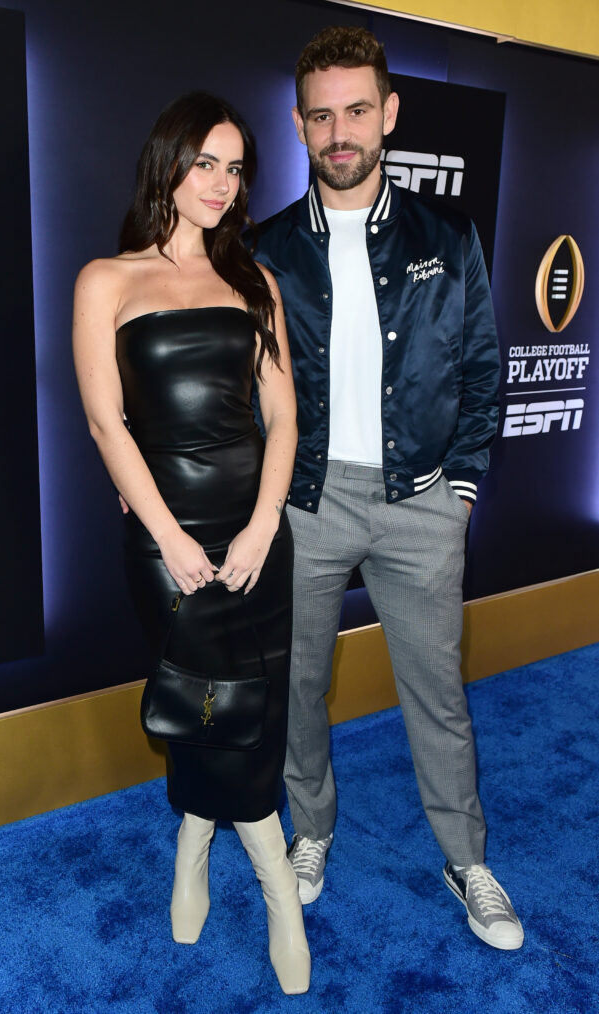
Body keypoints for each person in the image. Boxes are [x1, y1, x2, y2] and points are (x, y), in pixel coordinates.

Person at [254, 26, 524, 951]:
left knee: (437, 692)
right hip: (307, 506)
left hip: (420, 504)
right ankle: (312, 832)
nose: (340, 132)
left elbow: (485, 370)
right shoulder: (262, 252)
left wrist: (460, 492)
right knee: (298, 687)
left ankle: (466, 858)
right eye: (321, 115)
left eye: (357, 111)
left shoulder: (447, 236)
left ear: (388, 115)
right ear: (297, 125)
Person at [73, 92, 310, 995]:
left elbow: (283, 421)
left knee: (256, 709)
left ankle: (195, 840)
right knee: (200, 704)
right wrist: (170, 536)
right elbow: (105, 424)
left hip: (257, 536)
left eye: (236, 167)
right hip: (165, 543)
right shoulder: (108, 279)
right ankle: (276, 886)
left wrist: (260, 525)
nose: (221, 183)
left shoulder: (255, 281)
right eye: (205, 162)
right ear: (168, 163)